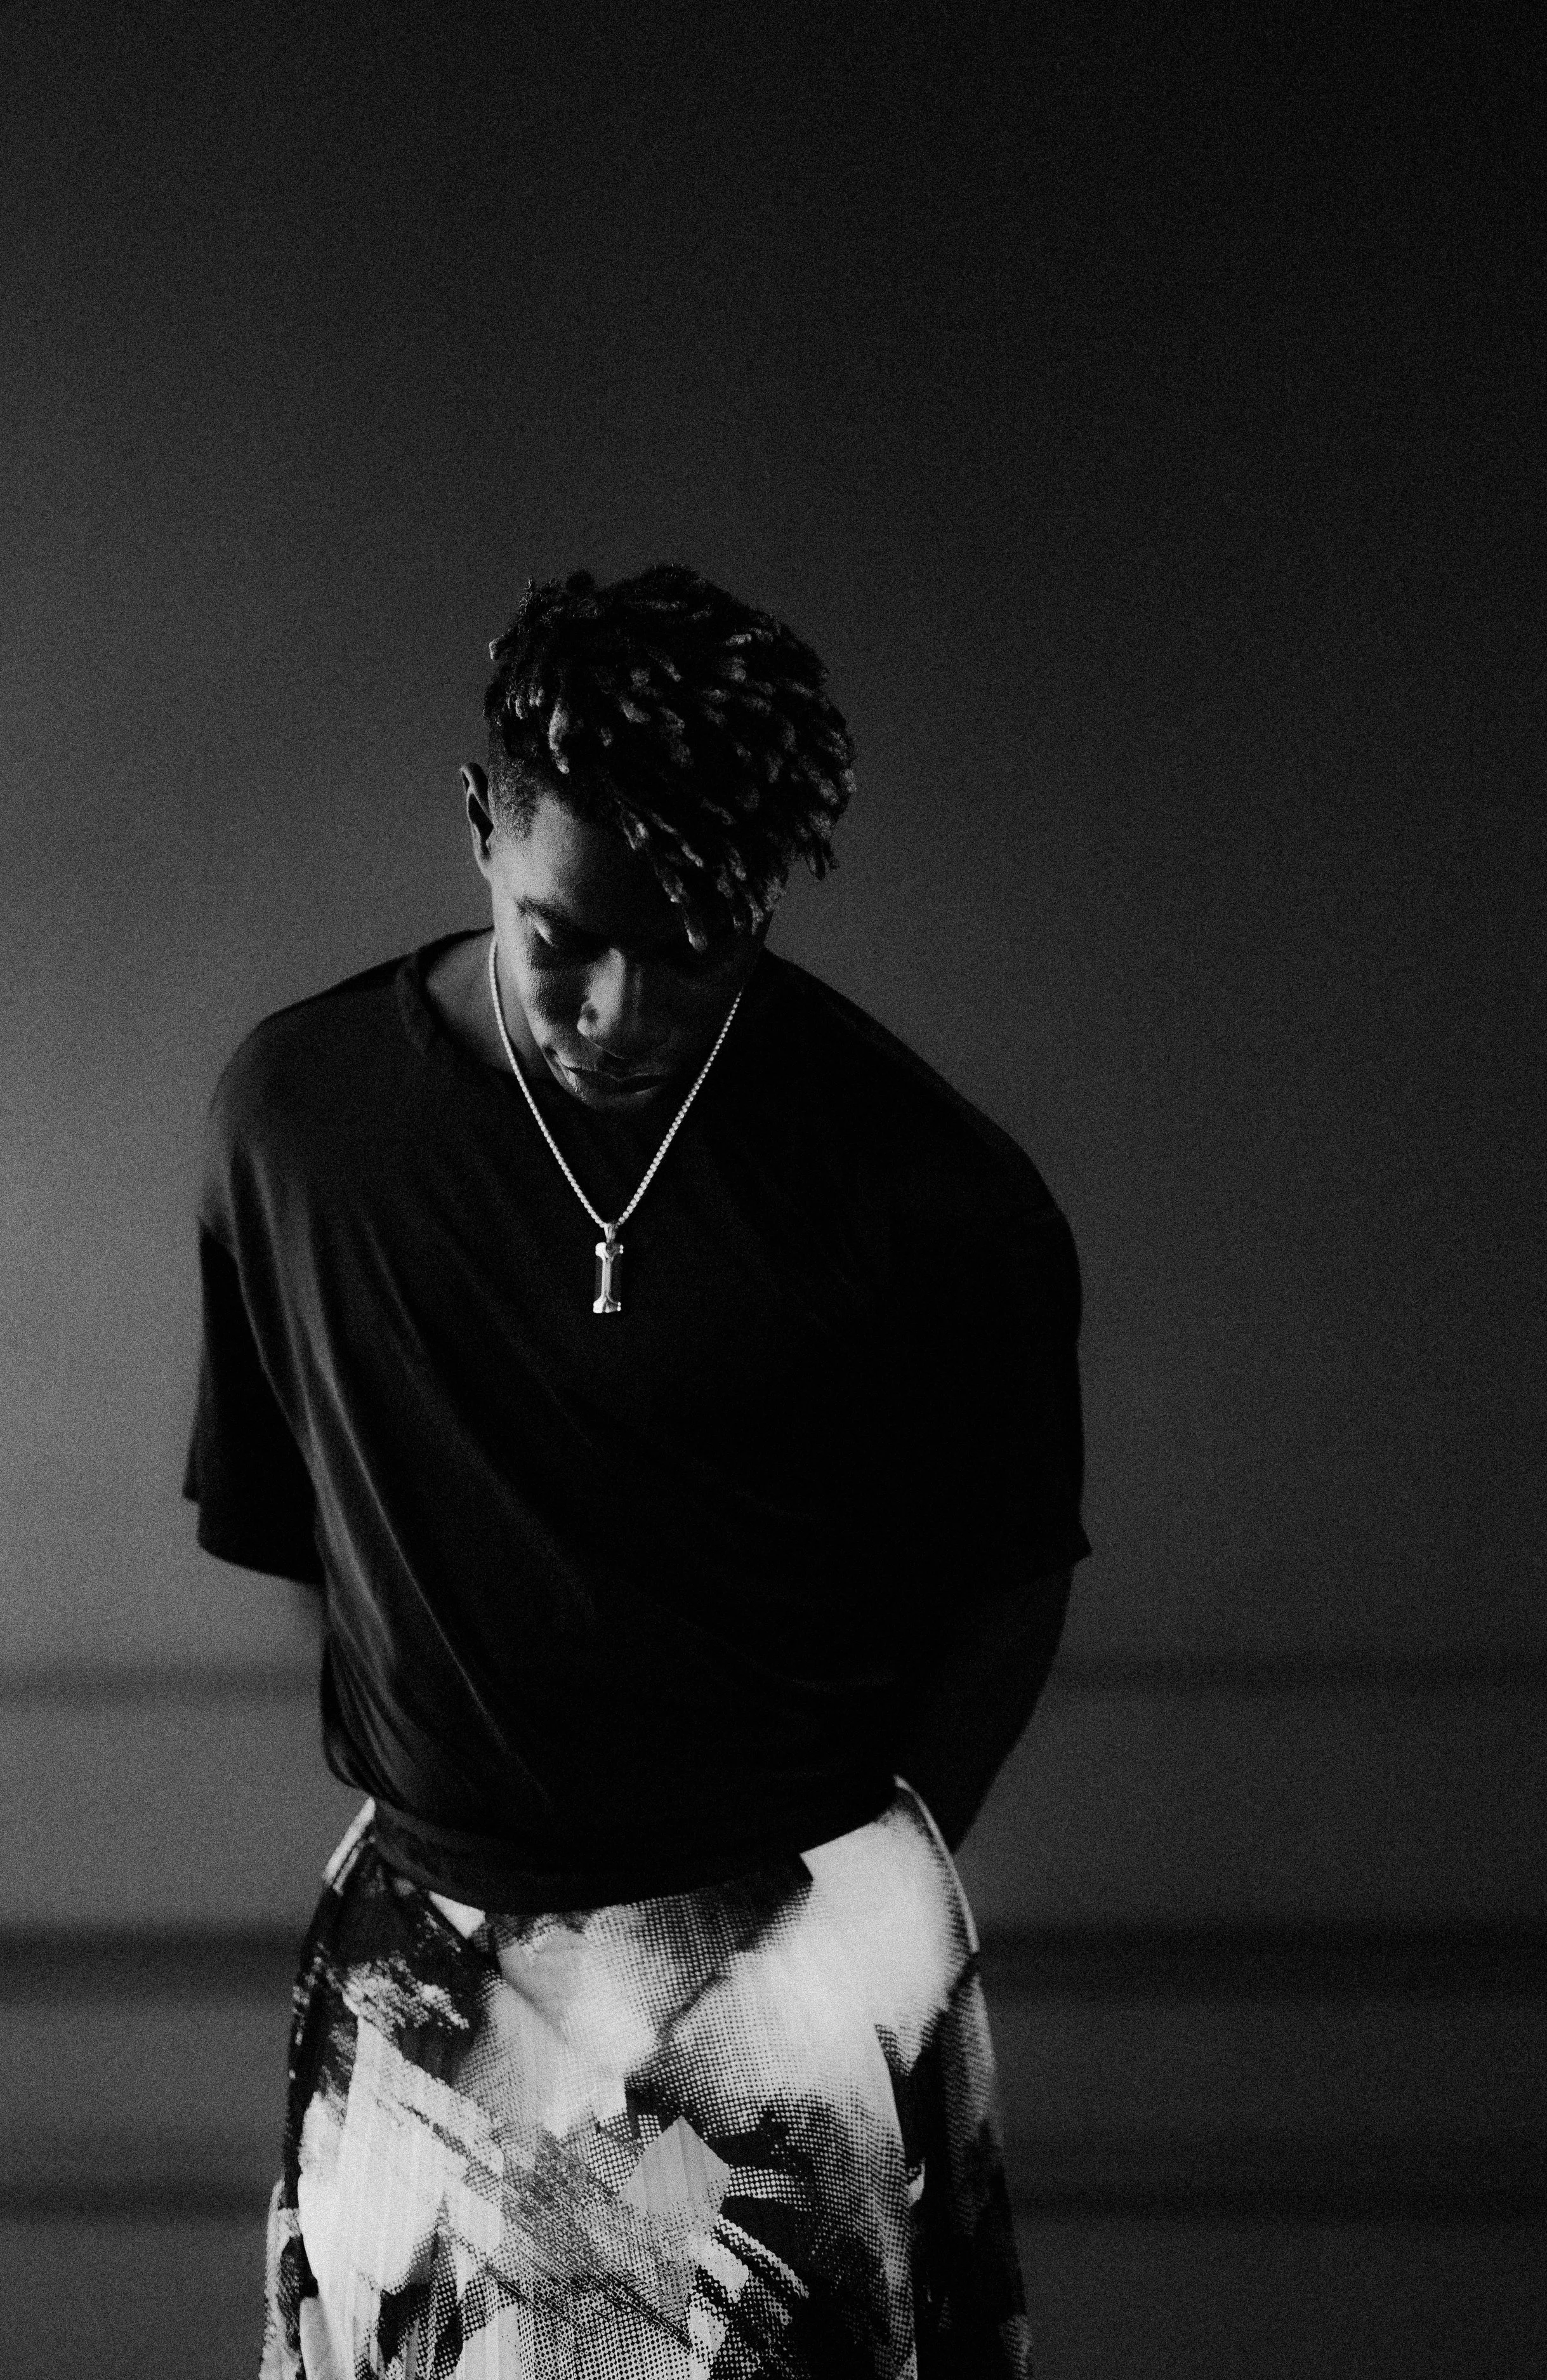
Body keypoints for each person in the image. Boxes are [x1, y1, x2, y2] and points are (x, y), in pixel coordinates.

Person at [184, 564, 1089, 2380]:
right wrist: (464, 1820)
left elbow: (1011, 1573)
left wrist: (814, 1940)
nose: (622, 1007)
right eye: (561, 934)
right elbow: (287, 1524)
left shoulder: (925, 1187)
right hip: (428, 1962)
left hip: (779, 1979)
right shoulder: (298, 1124)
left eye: (695, 950)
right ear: (475, 829)